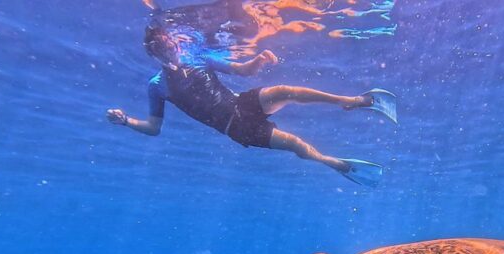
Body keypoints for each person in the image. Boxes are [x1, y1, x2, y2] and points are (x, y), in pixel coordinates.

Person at [106, 24, 396, 186]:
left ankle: (353, 101)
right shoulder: (157, 86)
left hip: (240, 104)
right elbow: (154, 128)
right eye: (161, 48)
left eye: (170, 44)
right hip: (235, 128)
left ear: (175, 43)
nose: (170, 50)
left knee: (286, 90)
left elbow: (243, 70)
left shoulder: (199, 58)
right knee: (296, 144)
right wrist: (126, 121)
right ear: (153, 53)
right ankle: (339, 165)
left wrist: (259, 60)